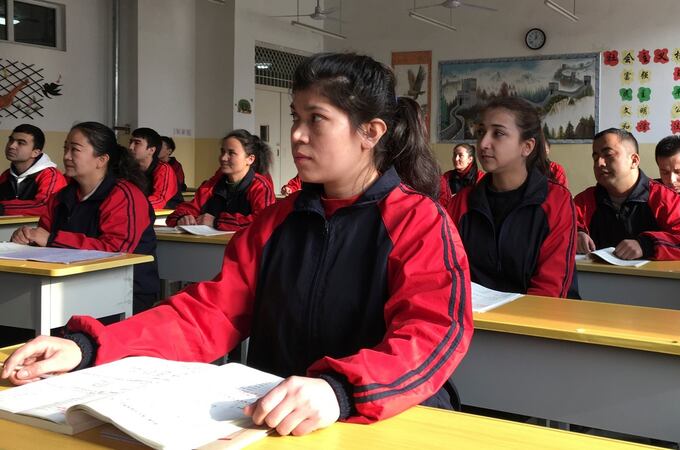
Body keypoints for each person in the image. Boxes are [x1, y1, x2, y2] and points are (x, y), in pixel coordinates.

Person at [2, 53, 472, 437]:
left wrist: (340, 391)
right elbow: (209, 314)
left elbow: (432, 336)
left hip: (384, 419)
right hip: (278, 423)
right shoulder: (277, 223)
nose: (297, 135)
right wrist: (88, 346)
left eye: (317, 120)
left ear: (370, 133)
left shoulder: (418, 221)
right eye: (295, 117)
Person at [10, 122, 159, 313]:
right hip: (69, 286)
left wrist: (51, 239)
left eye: (75, 150)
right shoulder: (61, 197)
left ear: (101, 159)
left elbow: (116, 250)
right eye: (65, 148)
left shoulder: (124, 195)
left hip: (122, 294)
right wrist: (25, 238)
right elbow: (43, 236)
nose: (66, 156)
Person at [447, 97, 577, 298]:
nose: (483, 143)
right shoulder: (461, 203)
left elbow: (550, 289)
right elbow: (446, 272)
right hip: (472, 321)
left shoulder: (555, 201)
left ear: (527, 146)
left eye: (498, 133)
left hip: (536, 322)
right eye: (481, 132)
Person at [573, 128, 680, 260]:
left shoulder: (663, 198)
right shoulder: (584, 201)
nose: (599, 163)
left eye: (608, 155)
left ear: (634, 160)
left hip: (650, 279)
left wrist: (646, 245)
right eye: (595, 158)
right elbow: (564, 226)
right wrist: (576, 234)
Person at [166, 130, 275, 230]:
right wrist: (182, 217)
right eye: (222, 151)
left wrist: (217, 221)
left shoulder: (260, 186)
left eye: (231, 153)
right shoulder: (212, 185)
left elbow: (264, 222)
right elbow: (177, 214)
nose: (223, 158)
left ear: (250, 159)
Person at [0, 124, 67, 216]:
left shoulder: (51, 175)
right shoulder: (6, 175)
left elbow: (44, 207)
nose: (12, 146)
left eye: (21, 143)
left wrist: (3, 208)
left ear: (35, 152)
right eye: (11, 140)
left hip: (41, 230)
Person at [128, 127, 182, 209]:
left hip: (166, 216)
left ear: (151, 150)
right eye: (131, 142)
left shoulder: (163, 169)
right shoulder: (129, 168)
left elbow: (159, 200)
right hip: (141, 211)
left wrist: (128, 207)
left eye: (137, 143)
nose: (131, 147)